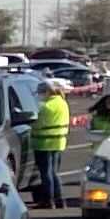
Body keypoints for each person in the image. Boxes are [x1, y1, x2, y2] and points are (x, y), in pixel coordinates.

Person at [30, 77, 73, 210]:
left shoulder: (45, 106)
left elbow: (36, 123)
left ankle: (48, 200)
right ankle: (59, 200)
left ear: (47, 92)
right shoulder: (62, 103)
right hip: (59, 142)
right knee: (54, 172)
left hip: (43, 142)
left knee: (46, 173)